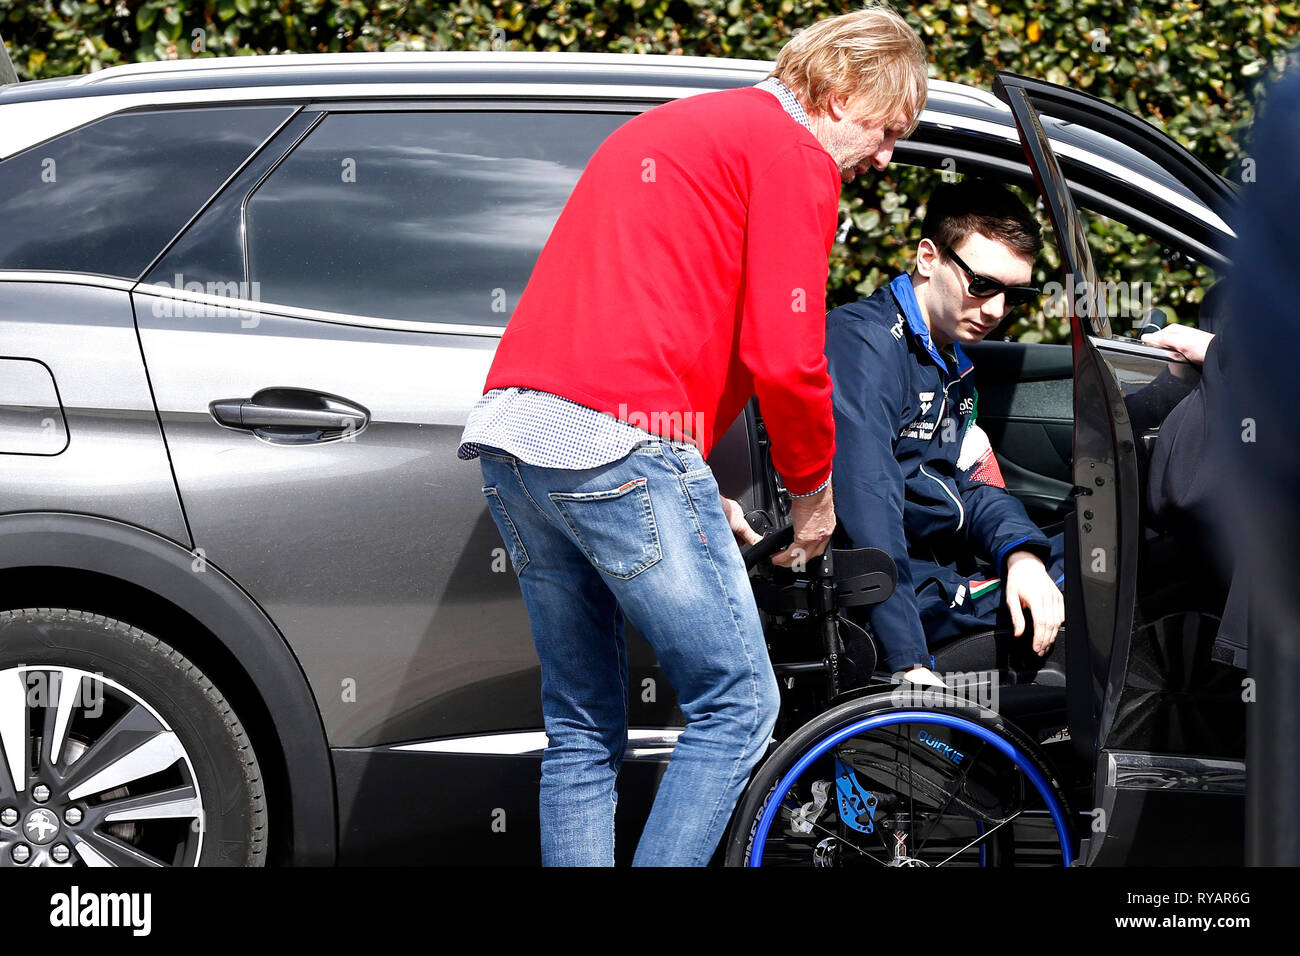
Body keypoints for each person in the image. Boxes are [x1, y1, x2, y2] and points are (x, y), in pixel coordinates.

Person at [457, 7, 928, 866]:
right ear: (841, 88)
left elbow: (635, 321)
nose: (888, 155)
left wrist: (694, 482)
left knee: (580, 723)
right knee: (739, 703)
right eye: (888, 128)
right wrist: (814, 496)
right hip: (614, 447)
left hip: (516, 439)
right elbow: (785, 357)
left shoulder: (678, 126)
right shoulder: (795, 156)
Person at [825, 180, 1063, 686]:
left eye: (1014, 295)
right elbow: (869, 505)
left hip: (941, 564)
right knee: (1103, 581)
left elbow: (971, 484)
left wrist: (1022, 553)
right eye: (982, 285)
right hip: (900, 586)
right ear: (928, 257)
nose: (997, 310)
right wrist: (909, 661)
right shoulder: (863, 344)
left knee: (1099, 546)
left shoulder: (951, 358)